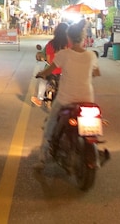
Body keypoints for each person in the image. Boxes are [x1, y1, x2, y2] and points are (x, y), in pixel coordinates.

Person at [36, 22, 100, 165]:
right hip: (87, 99)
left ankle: (43, 155)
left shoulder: (63, 54)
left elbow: (49, 70)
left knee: (50, 123)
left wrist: (41, 74)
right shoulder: (91, 56)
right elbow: (96, 73)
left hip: (66, 99)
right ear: (83, 38)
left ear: (69, 38)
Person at [32, 22, 69, 107]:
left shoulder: (51, 44)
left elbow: (48, 60)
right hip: (65, 71)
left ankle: (39, 99)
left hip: (51, 70)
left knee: (42, 80)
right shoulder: (69, 44)